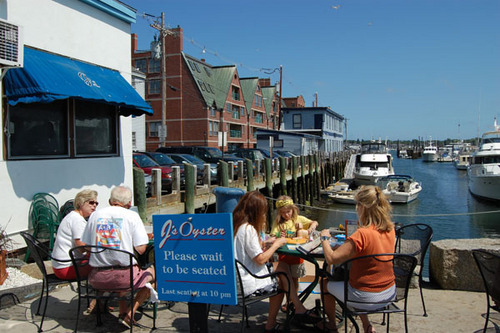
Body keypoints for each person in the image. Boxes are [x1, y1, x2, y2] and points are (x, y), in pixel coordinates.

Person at [233, 191, 321, 333]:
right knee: (281, 279)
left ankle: (296, 308)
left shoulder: (237, 225)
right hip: (247, 283)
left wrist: (266, 243)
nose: (263, 215)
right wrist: (276, 245)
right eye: (263, 211)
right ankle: (289, 313)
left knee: (282, 267)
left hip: (236, 278)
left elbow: (249, 250)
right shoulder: (248, 229)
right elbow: (260, 260)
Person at [318, 185, 396, 333]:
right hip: (389, 293)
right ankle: (367, 325)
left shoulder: (362, 234)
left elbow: (331, 259)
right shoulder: (390, 229)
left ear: (362, 207)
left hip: (365, 296)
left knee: (325, 283)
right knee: (354, 281)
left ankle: (331, 325)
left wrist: (324, 238)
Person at [81, 186, 155, 328]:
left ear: (110, 201)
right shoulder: (132, 216)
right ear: (129, 203)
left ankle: (117, 310)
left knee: (122, 268)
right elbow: (141, 249)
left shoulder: (95, 215)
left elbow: (87, 246)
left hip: (97, 279)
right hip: (125, 278)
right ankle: (130, 313)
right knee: (155, 273)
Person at [270, 196, 318, 312]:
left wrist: (309, 229)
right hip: (284, 257)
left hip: (297, 257)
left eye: (288, 211)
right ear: (279, 213)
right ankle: (289, 302)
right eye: (283, 213)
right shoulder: (278, 224)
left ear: (293, 209)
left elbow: (314, 222)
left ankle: (291, 302)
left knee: (295, 280)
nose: (286, 215)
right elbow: (272, 236)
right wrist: (278, 237)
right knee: (287, 280)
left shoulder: (298, 219)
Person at [51, 189, 98, 280]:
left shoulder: (71, 216)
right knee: (106, 263)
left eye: (96, 203)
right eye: (91, 203)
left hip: (60, 266)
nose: (94, 206)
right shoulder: (78, 220)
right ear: (80, 203)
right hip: (68, 269)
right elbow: (80, 247)